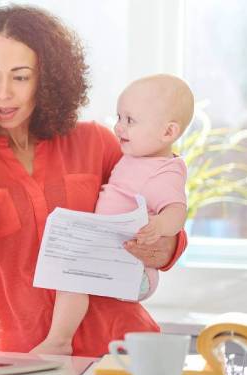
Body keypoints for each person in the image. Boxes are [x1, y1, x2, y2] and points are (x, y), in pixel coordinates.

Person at [0, 5, 188, 357]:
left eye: (20, 77)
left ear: (45, 79)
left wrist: (159, 245)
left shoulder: (96, 142)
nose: (4, 92)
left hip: (119, 352)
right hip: (23, 360)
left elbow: (164, 222)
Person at [34, 74, 193, 354]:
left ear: (168, 133)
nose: (119, 127)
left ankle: (59, 341)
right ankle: (59, 340)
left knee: (71, 275)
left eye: (130, 120)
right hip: (119, 259)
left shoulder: (163, 171)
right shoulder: (135, 157)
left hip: (137, 271)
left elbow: (178, 211)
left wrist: (159, 225)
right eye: (119, 117)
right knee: (72, 276)